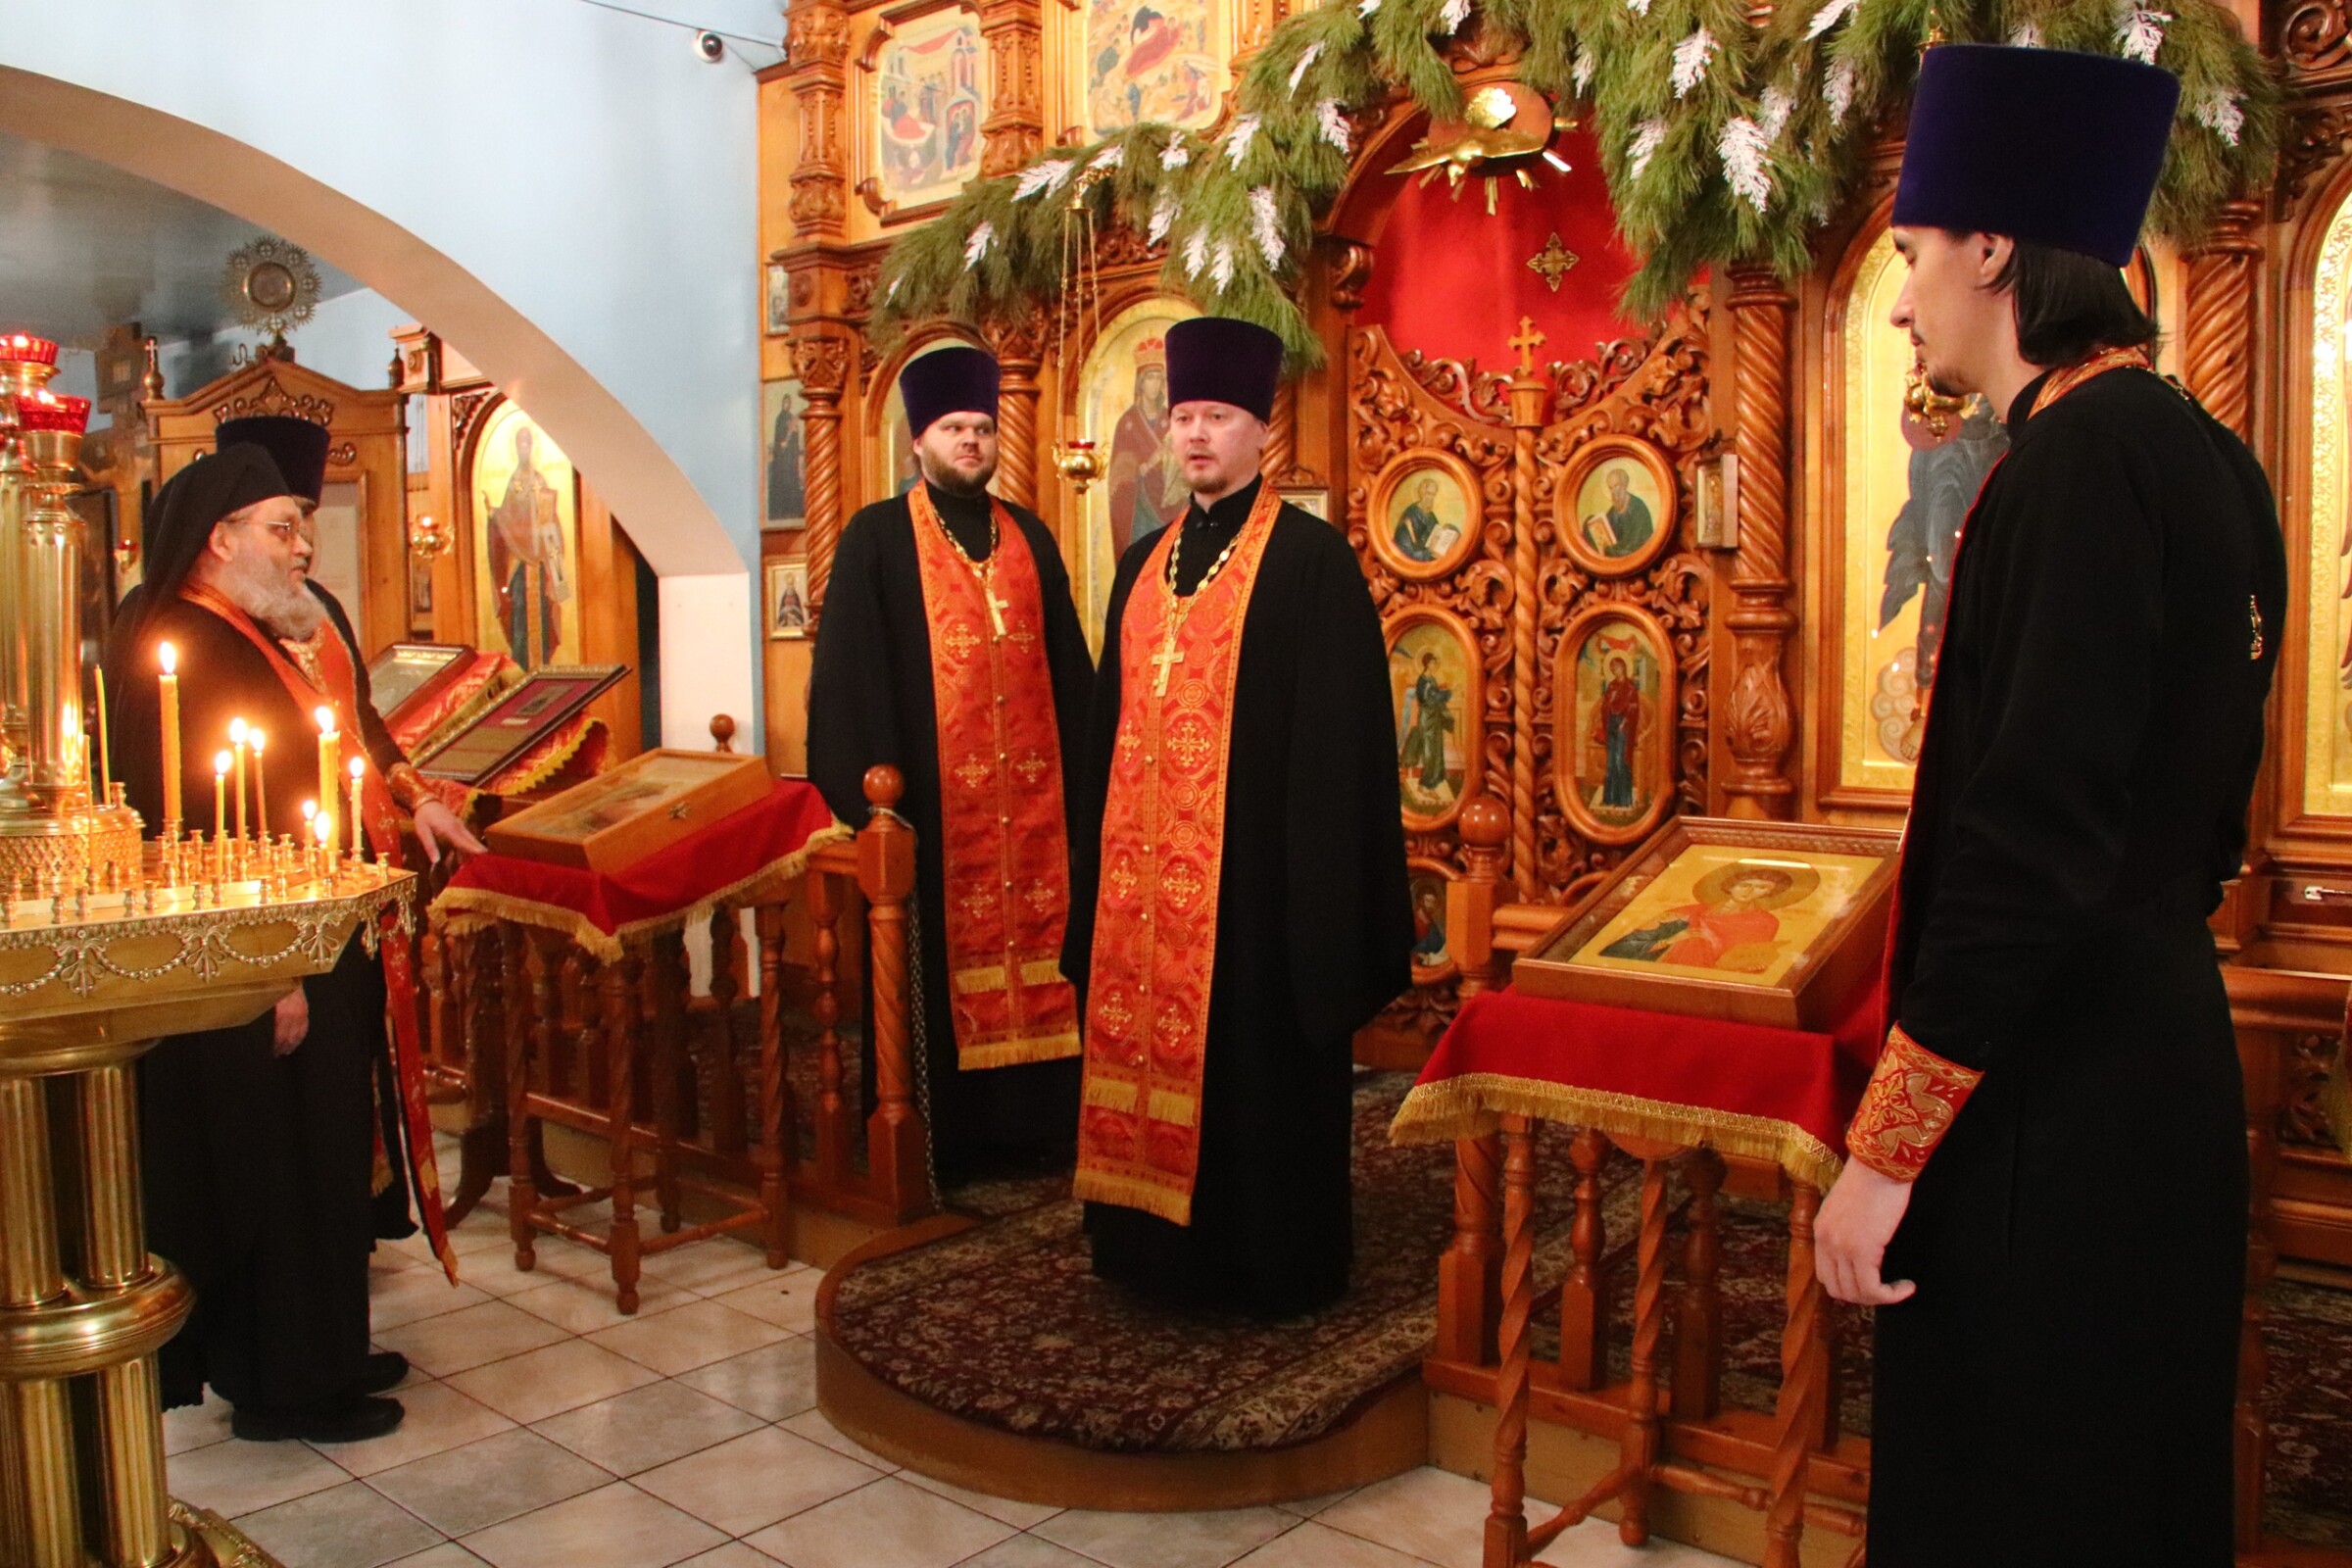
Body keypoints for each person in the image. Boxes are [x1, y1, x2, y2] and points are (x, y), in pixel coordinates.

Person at [1811, 46, 2285, 1567]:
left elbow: (2029, 843)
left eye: (1911, 253)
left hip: (2047, 1103)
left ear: (1994, 247)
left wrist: (1884, 1157)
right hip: (2155, 1057)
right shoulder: (2205, 453)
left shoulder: (2072, 468)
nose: (1901, 303)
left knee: (2024, 1494)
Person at [101, 436, 466, 1446]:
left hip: (313, 938)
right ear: (219, 539)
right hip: (263, 960)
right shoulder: (181, 645)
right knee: (279, 1165)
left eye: (302, 527)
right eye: (282, 528)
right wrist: (272, 974)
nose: (304, 545)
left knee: (324, 1151)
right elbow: (185, 834)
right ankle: (286, 1384)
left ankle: (325, 1349)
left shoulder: (247, 631)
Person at [1064, 315, 1411, 1318]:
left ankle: (1264, 1265)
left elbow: (1342, 757)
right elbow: (1105, 734)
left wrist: (1315, 915)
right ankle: (1141, 1248)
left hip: (1257, 895)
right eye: (1183, 417)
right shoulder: (1143, 565)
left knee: (1252, 1085)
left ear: (1262, 430)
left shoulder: (1310, 563)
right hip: (1141, 900)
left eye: (1217, 416)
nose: (1195, 434)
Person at [808, 346, 1094, 1180]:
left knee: (1048, 954)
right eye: (952, 429)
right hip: (934, 816)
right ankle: (953, 1140)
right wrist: (878, 808)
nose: (970, 441)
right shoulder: (878, 537)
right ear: (918, 441)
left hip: (1037, 816)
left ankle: (1041, 1125)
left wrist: (1089, 787)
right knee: (933, 976)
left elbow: (1069, 671)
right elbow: (850, 676)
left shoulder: (1029, 536)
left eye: (981, 428)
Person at [1582, 466, 1652, 558]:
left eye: (1616, 486)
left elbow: (1638, 543)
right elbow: (1607, 533)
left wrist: (1614, 551)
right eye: (1610, 488)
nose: (1614, 491)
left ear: (1624, 485)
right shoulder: (1613, 511)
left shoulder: (1638, 507)